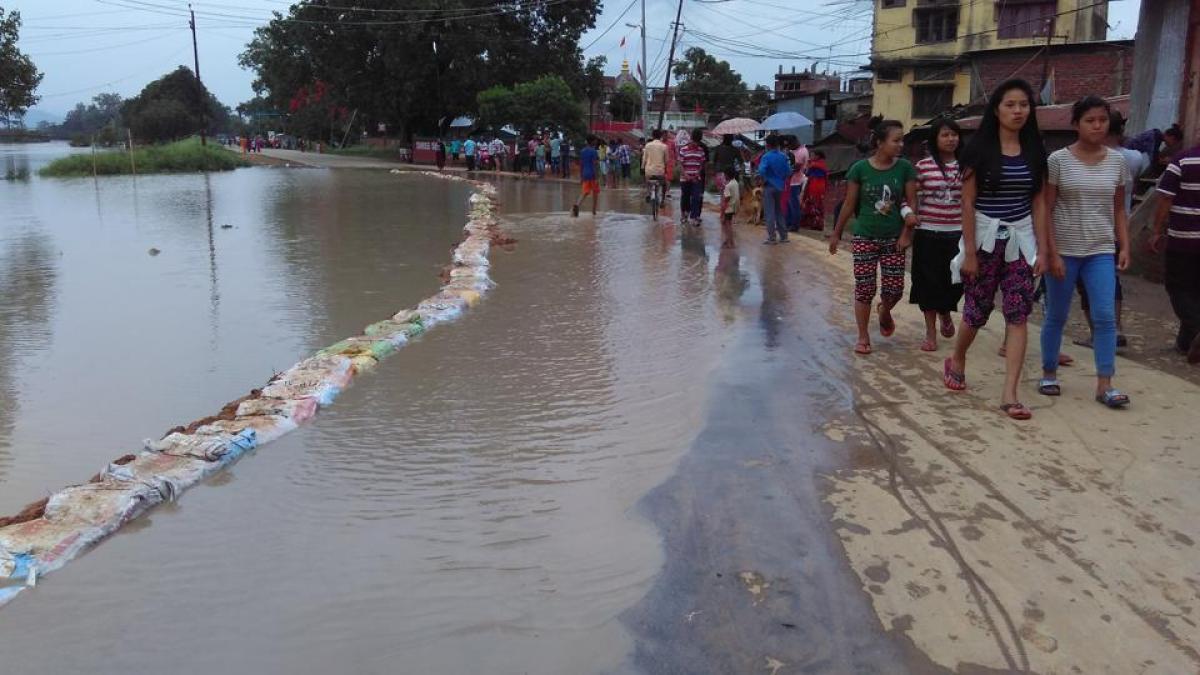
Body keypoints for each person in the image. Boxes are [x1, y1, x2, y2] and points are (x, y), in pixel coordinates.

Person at [945, 79, 1048, 421]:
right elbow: (968, 203)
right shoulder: (978, 151)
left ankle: (1010, 394)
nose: (1018, 111)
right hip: (986, 240)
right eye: (1010, 104)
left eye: (1024, 104)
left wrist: (1043, 250)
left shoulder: (1035, 151)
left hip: (1021, 242)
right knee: (977, 310)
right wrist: (971, 253)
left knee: (1019, 314)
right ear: (997, 109)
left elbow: (1039, 204)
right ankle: (958, 357)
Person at [1039, 96, 1131, 408]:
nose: (1097, 126)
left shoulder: (1118, 162)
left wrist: (1125, 245)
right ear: (1076, 124)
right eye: (1090, 120)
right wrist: (1050, 252)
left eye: (1102, 120)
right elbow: (1047, 209)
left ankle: (1105, 383)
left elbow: (1119, 209)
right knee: (1057, 315)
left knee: (1105, 316)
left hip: (1100, 250)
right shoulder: (1058, 161)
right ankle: (1049, 372)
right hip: (1064, 250)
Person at [828, 119, 919, 355]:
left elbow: (911, 203)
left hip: (894, 239)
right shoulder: (859, 169)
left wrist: (907, 233)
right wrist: (836, 233)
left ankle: (885, 310)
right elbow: (849, 203)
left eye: (902, 140)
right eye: (896, 140)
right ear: (879, 142)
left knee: (895, 290)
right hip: (865, 237)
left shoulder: (905, 168)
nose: (900, 145)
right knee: (864, 289)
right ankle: (863, 336)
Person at [910, 118, 965, 352]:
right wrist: (909, 215)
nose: (951, 139)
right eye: (945, 135)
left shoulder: (967, 166)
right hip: (928, 234)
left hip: (958, 234)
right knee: (927, 284)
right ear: (935, 139)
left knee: (955, 283)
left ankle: (946, 311)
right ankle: (930, 332)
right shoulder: (923, 166)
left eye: (954, 134)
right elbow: (909, 198)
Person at [1151, 131, 1200, 363]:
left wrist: (1157, 230)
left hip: (1183, 238)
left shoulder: (1181, 161)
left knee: (1178, 287)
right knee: (1195, 290)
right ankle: (1186, 342)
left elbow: (1165, 200)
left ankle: (1196, 330)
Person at [758, 135, 794, 245]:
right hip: (780, 186)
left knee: (769, 212)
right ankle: (784, 236)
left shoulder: (766, 156)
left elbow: (761, 170)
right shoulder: (783, 156)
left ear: (767, 145)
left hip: (769, 186)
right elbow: (788, 171)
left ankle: (772, 238)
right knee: (779, 211)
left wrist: (765, 177)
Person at [678, 129, 707, 226]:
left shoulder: (701, 151)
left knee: (696, 197)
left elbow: (701, 164)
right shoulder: (683, 150)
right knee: (685, 197)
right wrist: (685, 175)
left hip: (696, 178)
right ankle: (683, 214)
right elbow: (680, 164)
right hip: (685, 178)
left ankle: (694, 217)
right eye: (695, 142)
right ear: (691, 139)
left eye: (698, 142)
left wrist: (697, 173)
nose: (696, 144)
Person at [572, 136, 601, 217]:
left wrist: (581, 177)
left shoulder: (582, 151)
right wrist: (597, 177)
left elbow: (581, 165)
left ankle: (577, 204)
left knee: (585, 192)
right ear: (592, 142)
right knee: (595, 192)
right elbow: (595, 165)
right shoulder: (594, 151)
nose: (596, 142)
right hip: (592, 174)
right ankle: (594, 211)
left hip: (585, 174)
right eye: (595, 141)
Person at [799, 150, 828, 231]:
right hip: (814, 184)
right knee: (810, 203)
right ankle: (810, 223)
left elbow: (807, 172)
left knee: (815, 203)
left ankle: (816, 224)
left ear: (818, 156)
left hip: (816, 186)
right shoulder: (817, 164)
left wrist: (809, 165)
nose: (811, 157)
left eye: (812, 155)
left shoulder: (817, 165)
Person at [641, 129, 669, 210]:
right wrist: (665, 170)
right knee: (664, 184)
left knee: (647, 180)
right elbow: (666, 161)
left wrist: (643, 168)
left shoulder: (648, 145)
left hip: (649, 171)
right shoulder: (664, 146)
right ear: (661, 136)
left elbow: (644, 159)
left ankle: (648, 193)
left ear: (652, 136)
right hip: (660, 171)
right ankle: (663, 200)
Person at [787, 138, 810, 231]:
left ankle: (794, 225)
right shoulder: (802, 149)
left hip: (795, 182)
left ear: (794, 142)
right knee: (790, 204)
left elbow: (796, 167)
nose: (789, 147)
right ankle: (789, 222)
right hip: (796, 181)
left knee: (794, 204)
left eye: (790, 145)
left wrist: (786, 173)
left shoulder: (800, 152)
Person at [720, 166, 741, 249]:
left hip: (728, 208)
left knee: (727, 225)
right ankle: (729, 241)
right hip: (734, 207)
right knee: (727, 224)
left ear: (727, 175)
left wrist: (722, 211)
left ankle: (730, 242)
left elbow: (726, 198)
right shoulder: (735, 183)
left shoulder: (728, 186)